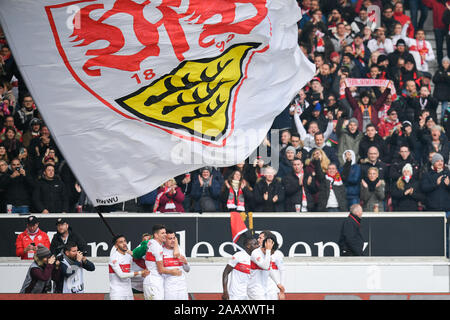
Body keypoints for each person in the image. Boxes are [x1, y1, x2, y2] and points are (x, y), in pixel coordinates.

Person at [143, 224, 181, 300]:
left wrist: (176, 246)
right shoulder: (157, 247)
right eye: (162, 233)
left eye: (165, 232)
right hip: (153, 281)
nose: (165, 235)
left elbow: (174, 239)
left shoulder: (151, 242)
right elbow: (161, 270)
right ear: (156, 235)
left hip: (151, 280)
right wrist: (173, 272)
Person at [109, 234, 150, 300]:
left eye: (125, 241)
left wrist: (143, 274)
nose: (124, 243)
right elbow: (121, 275)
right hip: (117, 293)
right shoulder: (113, 258)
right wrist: (140, 273)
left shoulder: (129, 256)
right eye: (121, 242)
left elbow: (130, 273)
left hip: (128, 292)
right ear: (116, 246)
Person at [248, 232, 285, 300]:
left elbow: (269, 269)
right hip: (255, 288)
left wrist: (278, 283)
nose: (258, 240)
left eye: (260, 238)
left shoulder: (267, 254)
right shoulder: (256, 252)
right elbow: (265, 266)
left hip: (264, 288)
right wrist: (268, 250)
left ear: (268, 240)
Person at [163, 230, 190, 300]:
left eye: (174, 238)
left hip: (182, 286)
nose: (172, 241)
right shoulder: (161, 251)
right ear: (164, 239)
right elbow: (159, 270)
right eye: (170, 239)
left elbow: (187, 270)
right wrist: (171, 271)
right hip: (169, 287)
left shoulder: (180, 250)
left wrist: (185, 263)